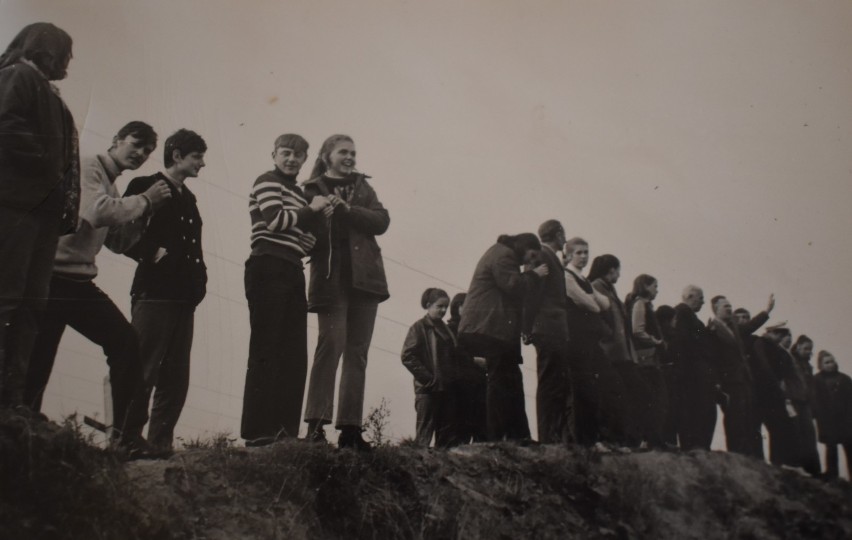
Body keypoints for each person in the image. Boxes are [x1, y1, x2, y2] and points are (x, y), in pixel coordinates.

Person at [23, 122, 170, 454]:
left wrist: (145, 216)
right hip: (53, 278)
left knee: (124, 344)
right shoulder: (88, 165)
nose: (141, 154)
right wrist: (145, 200)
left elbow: (117, 242)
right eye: (136, 144)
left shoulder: (112, 188)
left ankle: (125, 437)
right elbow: (96, 211)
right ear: (116, 140)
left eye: (147, 151)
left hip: (75, 281)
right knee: (40, 358)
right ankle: (27, 428)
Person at [0, 22, 79, 411]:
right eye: (66, 53)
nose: (68, 62)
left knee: (31, 304)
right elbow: (6, 127)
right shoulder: (17, 76)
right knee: (8, 297)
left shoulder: (50, 94)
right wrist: (48, 167)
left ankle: (13, 400)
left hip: (41, 216)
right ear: (48, 49)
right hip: (16, 207)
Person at [240, 134, 331, 447]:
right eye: (286, 153)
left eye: (298, 155)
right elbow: (275, 220)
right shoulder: (267, 181)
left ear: (305, 159)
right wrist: (312, 210)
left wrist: (312, 223)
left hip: (292, 268)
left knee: (293, 352)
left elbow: (303, 240)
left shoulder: (297, 192)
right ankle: (257, 430)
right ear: (274, 154)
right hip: (267, 266)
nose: (292, 159)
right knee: (267, 347)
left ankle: (284, 431)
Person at [302, 135, 390, 450]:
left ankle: (350, 429)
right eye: (344, 152)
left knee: (358, 353)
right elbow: (304, 229)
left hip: (366, 281)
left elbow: (382, 220)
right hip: (331, 280)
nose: (350, 157)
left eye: (353, 152)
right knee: (331, 345)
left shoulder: (363, 188)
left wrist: (348, 209)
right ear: (327, 156)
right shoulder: (311, 189)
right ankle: (315, 425)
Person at [122, 129, 208, 452]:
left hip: (184, 298)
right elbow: (120, 233)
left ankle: (159, 445)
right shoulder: (145, 186)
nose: (202, 163)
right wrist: (154, 254)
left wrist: (200, 277)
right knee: (142, 369)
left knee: (175, 377)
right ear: (176, 156)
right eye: (197, 156)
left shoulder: (189, 198)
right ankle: (126, 440)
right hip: (154, 293)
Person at [457, 233, 548, 442]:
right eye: (531, 255)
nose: (530, 261)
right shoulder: (504, 255)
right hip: (488, 327)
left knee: (512, 377)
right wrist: (534, 275)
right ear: (524, 247)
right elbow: (514, 286)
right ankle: (496, 436)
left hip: (492, 327)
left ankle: (519, 435)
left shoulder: (501, 252)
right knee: (500, 379)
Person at [589, 255, 651, 448]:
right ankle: (619, 439)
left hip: (622, 353)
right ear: (611, 269)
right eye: (618, 269)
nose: (619, 274)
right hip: (611, 352)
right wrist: (607, 334)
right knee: (620, 396)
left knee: (633, 393)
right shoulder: (596, 287)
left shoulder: (609, 289)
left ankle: (630, 439)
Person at [705, 295, 771, 457]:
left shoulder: (734, 327)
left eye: (730, 305)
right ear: (716, 309)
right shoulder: (712, 330)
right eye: (725, 306)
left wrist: (766, 311)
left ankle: (751, 456)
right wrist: (717, 383)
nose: (729, 308)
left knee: (749, 418)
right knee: (735, 420)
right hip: (729, 383)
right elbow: (712, 359)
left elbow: (751, 326)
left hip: (744, 380)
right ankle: (737, 455)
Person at [563, 237, 613, 446]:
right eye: (579, 253)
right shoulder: (567, 276)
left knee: (597, 386)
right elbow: (589, 304)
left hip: (589, 341)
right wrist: (593, 301)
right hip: (576, 340)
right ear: (569, 255)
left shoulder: (581, 278)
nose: (584, 257)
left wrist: (593, 300)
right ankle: (584, 439)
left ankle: (595, 437)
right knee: (582, 388)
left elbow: (605, 303)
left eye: (586, 252)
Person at [525, 220, 571, 443]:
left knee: (555, 382)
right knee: (550, 382)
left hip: (554, 328)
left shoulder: (550, 256)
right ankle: (548, 436)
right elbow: (532, 294)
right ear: (558, 234)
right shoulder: (542, 255)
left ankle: (554, 435)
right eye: (563, 234)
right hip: (548, 327)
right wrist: (528, 326)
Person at [401, 288, 462, 448]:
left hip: (447, 390)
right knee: (424, 437)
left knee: (447, 439)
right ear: (428, 305)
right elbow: (407, 356)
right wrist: (428, 380)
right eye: (439, 306)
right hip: (428, 391)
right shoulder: (418, 327)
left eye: (445, 307)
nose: (443, 310)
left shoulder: (447, 329)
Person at [625, 274, 668, 448]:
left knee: (654, 398)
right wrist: (656, 341)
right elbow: (637, 331)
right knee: (654, 398)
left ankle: (652, 438)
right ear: (646, 286)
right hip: (646, 359)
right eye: (654, 286)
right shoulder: (640, 304)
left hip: (648, 359)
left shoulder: (643, 304)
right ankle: (651, 439)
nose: (657, 290)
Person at [672, 285, 717, 450]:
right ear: (690, 296)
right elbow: (684, 343)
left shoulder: (689, 316)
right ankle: (696, 447)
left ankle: (696, 446)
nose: (703, 302)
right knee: (696, 411)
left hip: (694, 373)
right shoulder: (683, 313)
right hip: (693, 374)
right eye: (701, 298)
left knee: (698, 411)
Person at [751, 326, 798, 466]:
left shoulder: (777, 349)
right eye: (777, 334)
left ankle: (777, 461)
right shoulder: (760, 342)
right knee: (758, 426)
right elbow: (764, 364)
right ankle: (759, 460)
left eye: (781, 335)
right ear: (769, 332)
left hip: (774, 392)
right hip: (762, 390)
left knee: (778, 426)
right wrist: (776, 383)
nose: (779, 337)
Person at [447, 292, 486, 443]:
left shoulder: (476, 327)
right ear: (457, 307)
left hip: (478, 382)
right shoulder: (450, 328)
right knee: (460, 428)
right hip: (459, 383)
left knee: (480, 425)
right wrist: (473, 360)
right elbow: (453, 352)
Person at [813, 351, 852, 479]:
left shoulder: (845, 379)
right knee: (831, 448)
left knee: (849, 447)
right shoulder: (816, 380)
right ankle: (833, 476)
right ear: (820, 364)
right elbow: (815, 401)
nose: (830, 365)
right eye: (826, 362)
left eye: (832, 361)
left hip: (845, 421)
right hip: (827, 421)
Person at [787, 335, 821, 476]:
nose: (808, 352)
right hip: (794, 400)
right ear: (798, 346)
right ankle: (800, 467)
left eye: (810, 349)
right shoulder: (791, 360)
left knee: (810, 435)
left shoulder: (808, 365)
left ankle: (813, 470)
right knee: (798, 434)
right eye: (806, 348)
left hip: (806, 402)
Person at [655, 304, 679, 445]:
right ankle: (669, 440)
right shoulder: (671, 335)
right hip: (670, 374)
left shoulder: (659, 333)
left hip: (663, 372)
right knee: (671, 408)